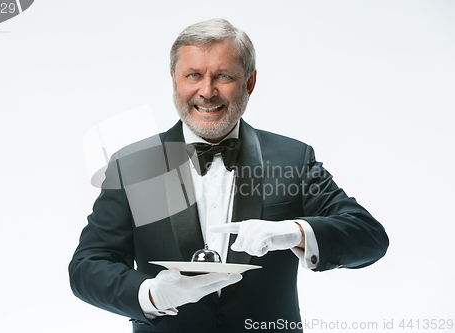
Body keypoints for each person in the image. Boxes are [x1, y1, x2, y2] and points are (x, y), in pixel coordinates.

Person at [68, 18, 389, 332]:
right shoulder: (136, 165)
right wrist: (151, 294)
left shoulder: (292, 158)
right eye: (193, 75)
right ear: (174, 80)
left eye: (223, 76)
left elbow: (369, 236)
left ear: (249, 81)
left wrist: (295, 231)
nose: (207, 91)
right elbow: (88, 267)